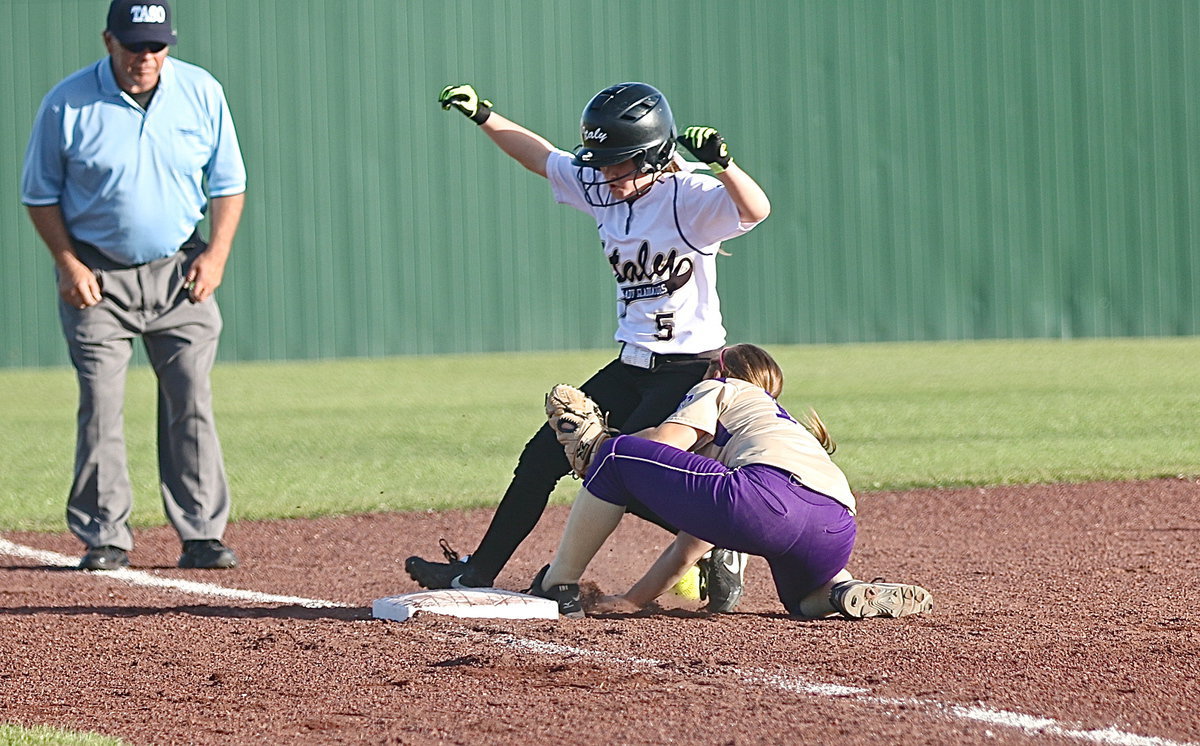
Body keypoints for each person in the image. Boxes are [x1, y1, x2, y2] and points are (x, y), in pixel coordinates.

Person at [405, 82, 771, 611]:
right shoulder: (604, 184)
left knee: (629, 475)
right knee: (541, 455)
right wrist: (485, 115)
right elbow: (543, 159)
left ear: (654, 156)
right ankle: (475, 573)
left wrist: (724, 165)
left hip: (687, 370)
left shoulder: (688, 196)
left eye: (618, 163)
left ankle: (716, 537)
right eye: (599, 161)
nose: (604, 174)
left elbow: (755, 210)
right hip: (631, 362)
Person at [20, 0, 246, 571]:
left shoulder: (200, 91)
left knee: (191, 398)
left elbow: (228, 183)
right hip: (97, 275)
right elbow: (39, 194)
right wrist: (68, 264)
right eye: (133, 44)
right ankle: (105, 534)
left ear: (169, 44)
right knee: (101, 403)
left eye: (156, 45)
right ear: (109, 41)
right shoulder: (67, 101)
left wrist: (216, 256)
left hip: (180, 273)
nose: (145, 57)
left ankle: (201, 534)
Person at [528, 344, 934, 620]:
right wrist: (632, 600)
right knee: (804, 602)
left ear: (720, 368)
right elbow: (688, 548)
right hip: (836, 524)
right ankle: (844, 592)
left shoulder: (722, 386)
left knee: (616, 456)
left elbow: (666, 441)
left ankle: (559, 582)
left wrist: (604, 445)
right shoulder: (775, 423)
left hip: (763, 495)